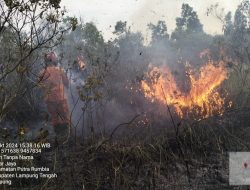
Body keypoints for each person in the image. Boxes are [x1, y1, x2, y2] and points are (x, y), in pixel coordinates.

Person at [39, 52, 70, 140]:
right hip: (61, 98)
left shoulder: (42, 72)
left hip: (49, 99)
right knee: (65, 117)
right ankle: (67, 137)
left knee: (54, 118)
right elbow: (66, 83)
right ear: (54, 60)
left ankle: (58, 137)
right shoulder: (60, 70)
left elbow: (40, 86)